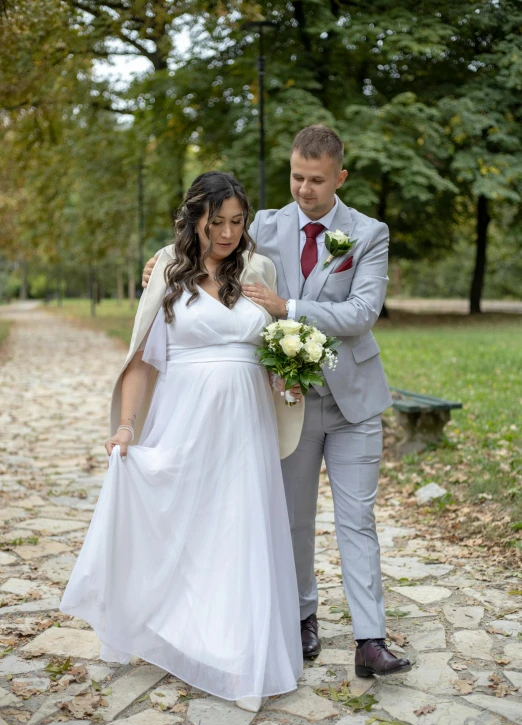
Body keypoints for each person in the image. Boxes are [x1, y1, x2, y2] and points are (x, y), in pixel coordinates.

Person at [143, 126, 411, 678]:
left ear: (340, 176)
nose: (303, 189)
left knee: (357, 519)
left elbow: (362, 314)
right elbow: (209, 240)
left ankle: (369, 640)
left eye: (316, 180)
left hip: (355, 400)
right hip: (288, 401)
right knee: (292, 519)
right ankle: (301, 618)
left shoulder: (369, 233)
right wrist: (158, 263)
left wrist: (289, 305)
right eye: (295, 177)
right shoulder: (264, 224)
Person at [60, 171, 305, 713]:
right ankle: (178, 629)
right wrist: (126, 428)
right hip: (188, 418)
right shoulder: (167, 269)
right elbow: (142, 360)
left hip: (247, 425)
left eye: (237, 222)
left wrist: (289, 373)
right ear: (194, 218)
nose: (227, 233)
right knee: (190, 525)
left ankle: (242, 656)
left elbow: (273, 350)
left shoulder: (258, 269)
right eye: (216, 221)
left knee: (240, 528)